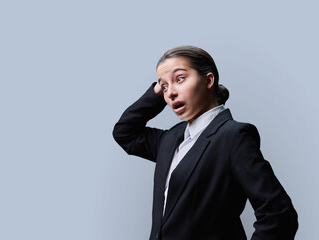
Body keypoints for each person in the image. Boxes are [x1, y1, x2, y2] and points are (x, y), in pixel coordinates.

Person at [112, 46, 298, 240]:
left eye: (180, 79)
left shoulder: (233, 137)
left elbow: (279, 215)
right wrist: (157, 90)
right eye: (165, 87)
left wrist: (166, 83)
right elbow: (125, 132)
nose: (171, 93)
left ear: (209, 80)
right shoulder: (170, 139)